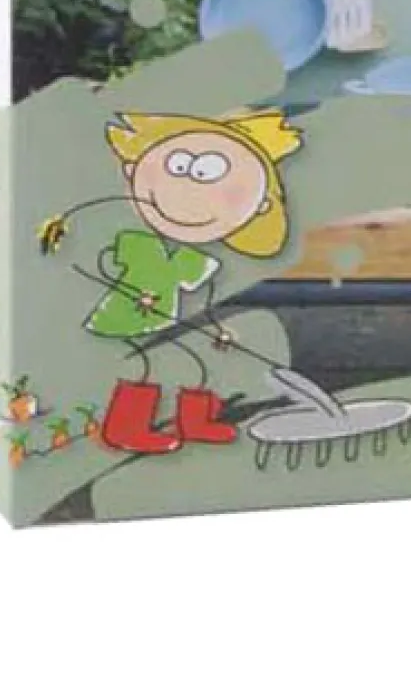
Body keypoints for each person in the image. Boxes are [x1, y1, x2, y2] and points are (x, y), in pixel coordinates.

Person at [41, 109, 302, 455]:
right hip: (130, 315)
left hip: (163, 315)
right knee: (148, 368)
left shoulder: (189, 255)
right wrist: (135, 293)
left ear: (261, 206)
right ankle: (124, 428)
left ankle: (193, 423)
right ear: (131, 170)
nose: (187, 193)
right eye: (179, 167)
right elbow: (104, 264)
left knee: (195, 365)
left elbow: (198, 287)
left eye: (207, 174)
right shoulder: (139, 242)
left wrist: (215, 326)